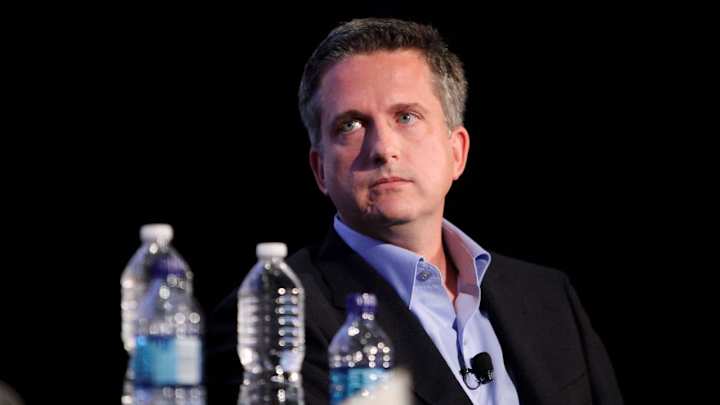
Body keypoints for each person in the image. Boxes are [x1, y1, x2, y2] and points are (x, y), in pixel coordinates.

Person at [208, 18, 622, 405]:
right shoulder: (275, 319)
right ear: (320, 170)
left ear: (457, 152)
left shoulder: (548, 296)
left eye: (407, 116)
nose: (383, 148)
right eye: (351, 125)